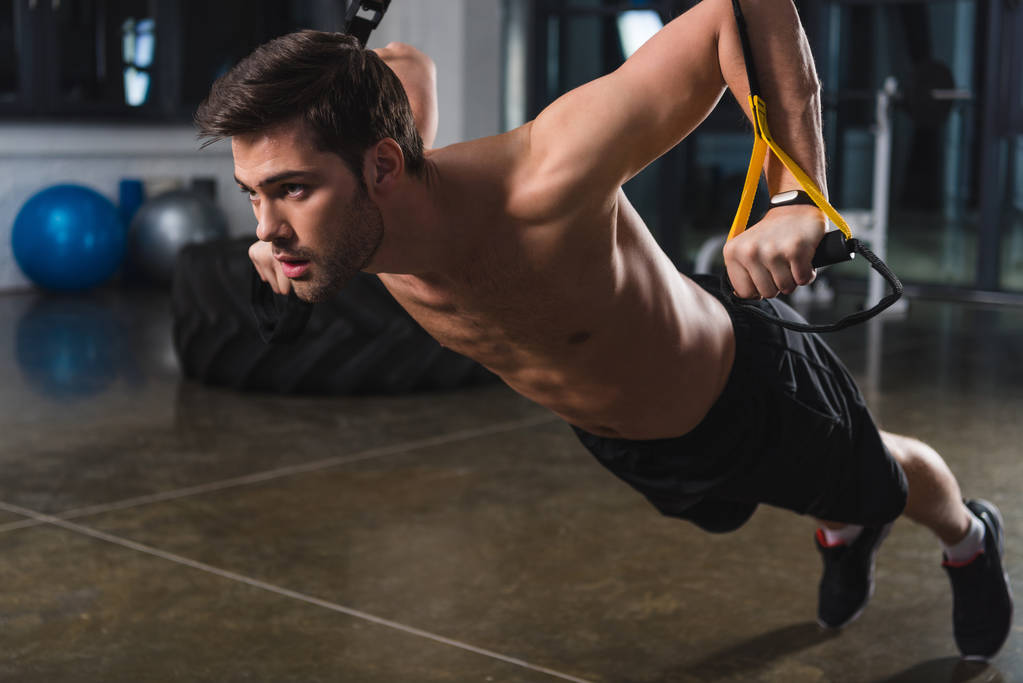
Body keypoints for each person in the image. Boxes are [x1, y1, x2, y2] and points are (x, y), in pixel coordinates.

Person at [194, 0, 1012, 660]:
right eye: (252, 194)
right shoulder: (363, 213)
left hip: (752, 389)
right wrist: (325, 90)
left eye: (291, 189)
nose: (265, 232)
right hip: (633, 444)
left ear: (380, 166)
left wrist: (794, 196)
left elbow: (736, 11)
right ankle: (836, 518)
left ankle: (968, 537)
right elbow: (405, 61)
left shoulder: (545, 177)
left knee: (882, 478)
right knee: (764, 500)